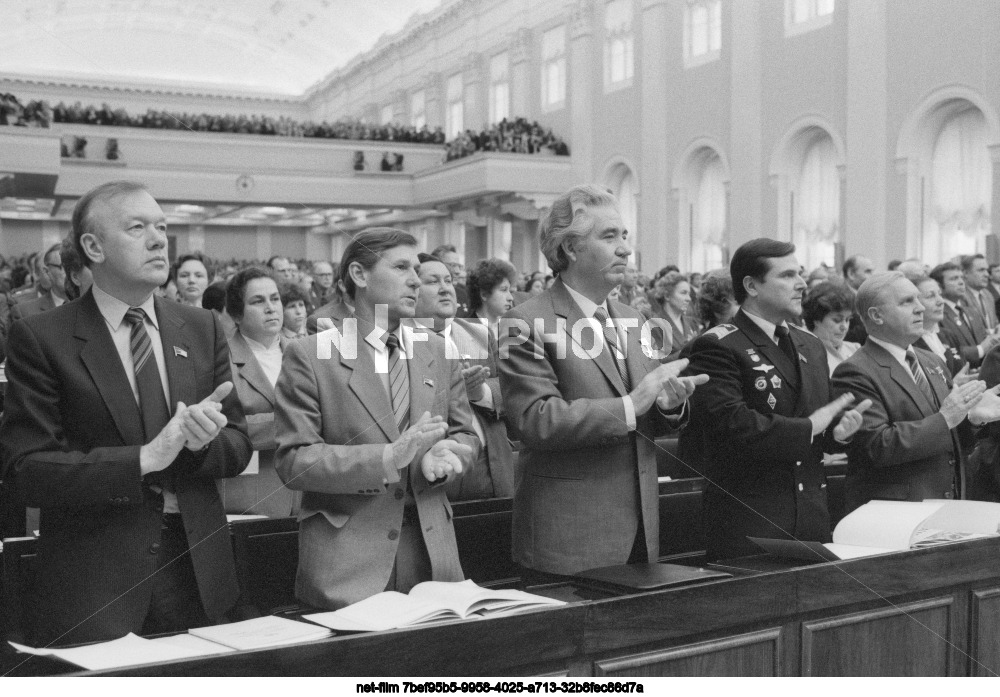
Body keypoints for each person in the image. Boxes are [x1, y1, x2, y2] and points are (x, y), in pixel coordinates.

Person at [0, 180, 251, 645]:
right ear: (93, 247)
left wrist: (202, 444)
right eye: (137, 228)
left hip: (201, 572)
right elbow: (26, 471)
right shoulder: (42, 337)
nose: (159, 240)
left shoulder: (199, 327)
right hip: (97, 581)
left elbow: (238, 444)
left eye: (161, 227)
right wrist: (143, 459)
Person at [497, 185, 708, 579]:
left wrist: (669, 406)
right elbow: (535, 419)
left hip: (641, 531)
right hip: (570, 536)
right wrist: (633, 405)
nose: (625, 249)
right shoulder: (523, 322)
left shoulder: (635, 318)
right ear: (572, 249)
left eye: (624, 235)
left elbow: (649, 412)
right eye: (609, 236)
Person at [274, 228, 479, 610]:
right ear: (359, 274)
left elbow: (467, 433)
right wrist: (385, 458)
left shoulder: (437, 349)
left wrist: (450, 456)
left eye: (416, 269)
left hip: (434, 557)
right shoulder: (311, 355)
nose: (416, 280)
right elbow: (294, 462)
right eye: (401, 267)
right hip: (349, 565)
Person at [680, 239, 870, 562]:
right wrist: (810, 427)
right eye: (787, 276)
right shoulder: (718, 346)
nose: (801, 284)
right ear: (751, 286)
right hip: (751, 520)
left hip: (810, 517)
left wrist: (837, 434)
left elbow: (817, 425)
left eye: (800, 274)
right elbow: (733, 425)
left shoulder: (809, 345)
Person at [831, 272, 991, 513]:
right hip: (895, 512)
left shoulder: (931, 361)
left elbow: (951, 439)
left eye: (918, 299)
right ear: (876, 315)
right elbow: (877, 447)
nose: (920, 309)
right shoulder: (855, 371)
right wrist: (946, 417)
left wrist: (973, 420)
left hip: (949, 503)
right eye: (907, 301)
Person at [220, 268, 299, 518]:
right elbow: (225, 430)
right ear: (236, 314)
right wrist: (294, 423)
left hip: (304, 494)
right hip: (248, 495)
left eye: (275, 299)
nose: (271, 307)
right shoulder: (221, 359)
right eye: (258, 301)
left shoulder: (304, 353)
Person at [447, 258, 518, 499]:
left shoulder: (517, 330)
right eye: (504, 290)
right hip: (482, 442)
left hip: (513, 438)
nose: (511, 297)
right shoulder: (465, 330)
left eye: (512, 290)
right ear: (485, 294)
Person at [933, 261, 999, 368]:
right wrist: (980, 349)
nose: (961, 282)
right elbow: (945, 350)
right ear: (939, 286)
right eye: (954, 279)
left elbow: (984, 339)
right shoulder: (937, 314)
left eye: (962, 278)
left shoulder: (971, 311)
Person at [911, 274, 965, 377]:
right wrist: (953, 385)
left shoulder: (949, 335)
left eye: (940, 294)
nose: (941, 301)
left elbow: (962, 369)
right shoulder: (910, 342)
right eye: (930, 296)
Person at [802, 282, 860, 375]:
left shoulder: (855, 349)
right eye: (837, 320)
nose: (844, 327)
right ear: (816, 319)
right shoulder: (805, 355)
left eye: (848, 319)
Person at [649, 271, 700, 361]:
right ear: (667, 296)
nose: (688, 299)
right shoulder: (654, 325)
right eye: (683, 293)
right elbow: (655, 363)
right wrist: (686, 350)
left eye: (689, 294)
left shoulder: (692, 323)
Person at [962, 254, 999, 332]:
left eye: (986, 270)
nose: (987, 275)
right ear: (966, 273)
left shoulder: (988, 295)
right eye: (981, 270)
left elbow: (995, 323)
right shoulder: (961, 296)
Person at [843, 254, 875, 344]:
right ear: (851, 274)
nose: (872, 276)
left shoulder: (866, 295)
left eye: (872, 271)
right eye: (868, 271)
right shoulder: (839, 297)